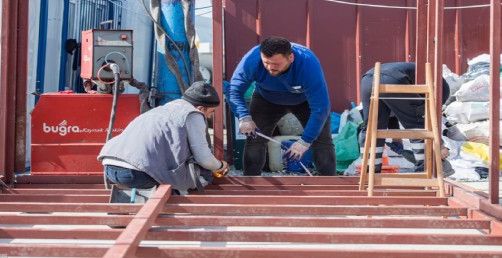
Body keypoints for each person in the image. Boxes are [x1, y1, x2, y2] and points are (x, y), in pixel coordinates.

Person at [97, 81, 229, 196]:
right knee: (205, 173)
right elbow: (204, 159)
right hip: (136, 173)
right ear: (200, 108)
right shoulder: (194, 115)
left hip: (110, 167)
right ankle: (178, 194)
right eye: (210, 112)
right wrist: (220, 166)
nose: (210, 116)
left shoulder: (163, 109)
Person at [229, 36, 336, 176]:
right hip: (266, 99)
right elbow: (234, 90)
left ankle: (328, 187)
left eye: (276, 64)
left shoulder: (308, 64)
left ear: (291, 57)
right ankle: (251, 184)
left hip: (304, 101)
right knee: (255, 141)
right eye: (266, 63)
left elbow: (321, 107)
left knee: (322, 141)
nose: (270, 68)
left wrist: (305, 141)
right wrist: (244, 116)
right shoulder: (251, 60)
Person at [358, 62, 451, 173]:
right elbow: (428, 121)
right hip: (394, 79)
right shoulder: (441, 90)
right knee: (418, 125)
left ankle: (370, 172)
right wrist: (439, 145)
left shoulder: (423, 77)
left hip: (368, 79)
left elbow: (391, 108)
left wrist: (396, 138)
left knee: (371, 127)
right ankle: (425, 171)